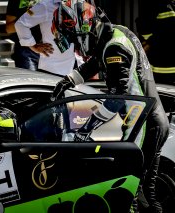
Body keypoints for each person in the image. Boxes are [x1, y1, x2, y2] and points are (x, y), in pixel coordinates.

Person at [51, 1, 169, 212]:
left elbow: (116, 98)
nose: (75, 45)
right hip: (151, 121)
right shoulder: (115, 33)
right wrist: (68, 80)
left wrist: (87, 128)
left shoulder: (115, 47)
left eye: (72, 38)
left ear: (83, 29)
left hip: (144, 125)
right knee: (147, 196)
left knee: (129, 194)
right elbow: (96, 61)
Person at [14, 0, 83, 76]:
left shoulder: (81, 4)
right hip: (52, 69)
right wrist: (33, 46)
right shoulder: (45, 5)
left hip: (78, 68)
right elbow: (20, 24)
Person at [136, 0, 175, 85]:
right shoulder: (158, 4)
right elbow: (143, 26)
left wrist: (152, 41)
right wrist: (153, 41)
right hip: (161, 68)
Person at [6, 0, 42, 70]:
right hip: (26, 51)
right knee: (29, 80)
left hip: (50, 50)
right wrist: (33, 19)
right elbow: (9, 28)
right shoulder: (17, 1)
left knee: (53, 80)